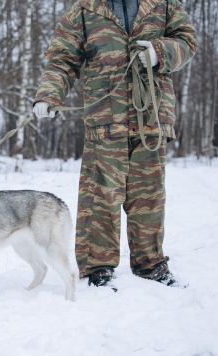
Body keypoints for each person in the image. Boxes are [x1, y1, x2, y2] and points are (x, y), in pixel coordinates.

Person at [33, 0, 198, 287]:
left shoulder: (164, 4)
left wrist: (160, 53)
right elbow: (62, 57)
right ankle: (98, 268)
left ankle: (151, 265)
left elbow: (187, 41)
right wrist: (48, 95)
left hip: (152, 118)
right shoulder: (85, 9)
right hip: (105, 119)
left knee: (148, 197)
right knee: (101, 197)